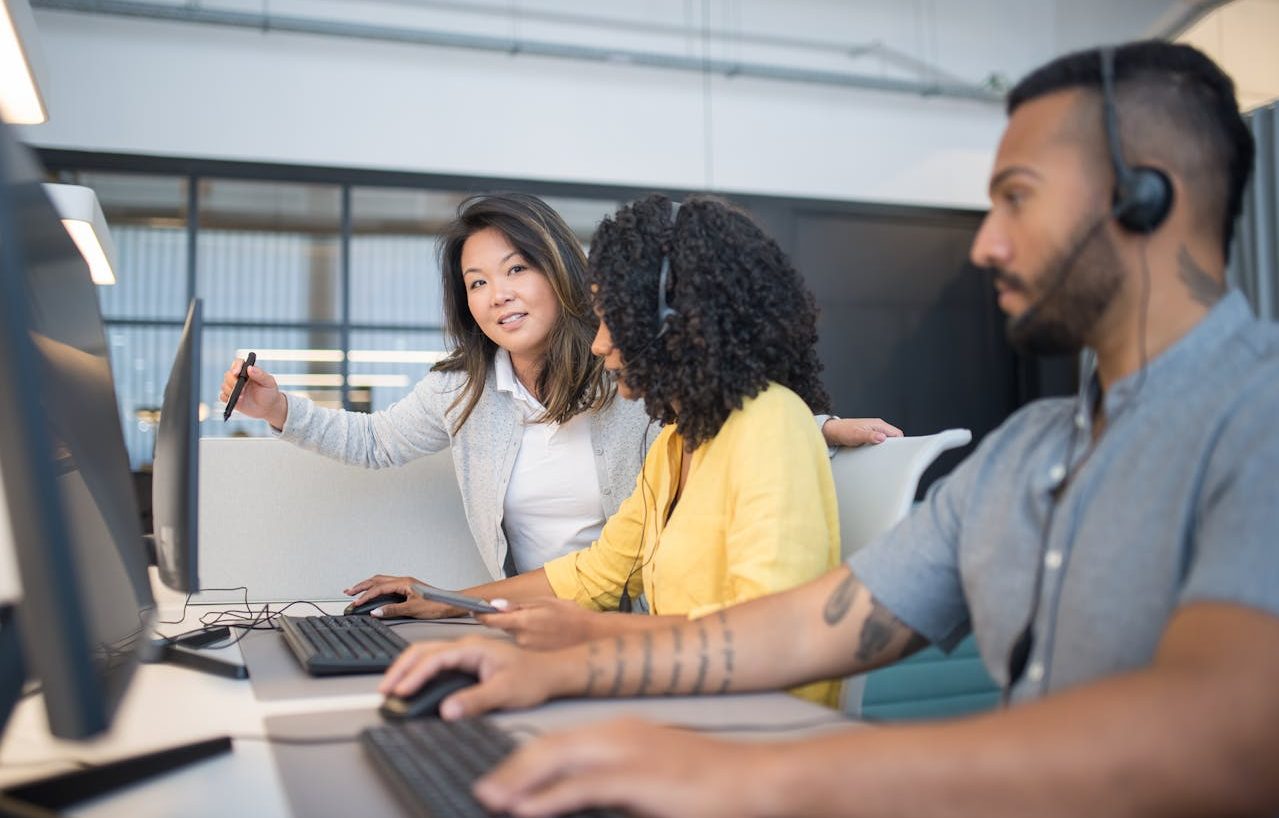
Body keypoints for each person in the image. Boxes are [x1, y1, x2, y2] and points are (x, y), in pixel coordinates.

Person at [379, 41, 1279, 818]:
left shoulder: (1259, 417)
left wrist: (763, 773)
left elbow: (1218, 741)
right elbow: (801, 629)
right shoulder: (1026, 457)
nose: (984, 244)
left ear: (1142, 200)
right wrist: (564, 665)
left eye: (1016, 197)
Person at [219, 193, 898, 606]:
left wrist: (819, 426)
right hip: (563, 618)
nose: (498, 294)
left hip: (653, 649)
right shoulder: (468, 388)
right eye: (477, 281)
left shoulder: (651, 386)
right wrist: (280, 410)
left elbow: (729, 407)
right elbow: (378, 441)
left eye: (517, 269)